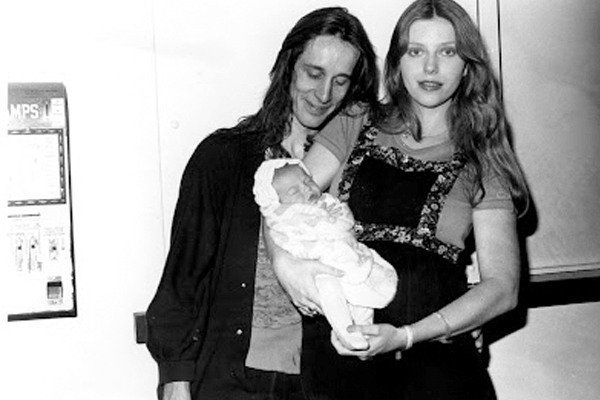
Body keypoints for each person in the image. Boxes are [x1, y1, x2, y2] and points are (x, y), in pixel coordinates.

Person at [273, 0, 531, 398]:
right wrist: (286, 267)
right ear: (397, 62)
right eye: (416, 51)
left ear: (467, 65)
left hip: (438, 364)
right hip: (342, 356)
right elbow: (280, 204)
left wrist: (407, 336)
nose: (430, 68)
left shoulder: (484, 156)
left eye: (447, 52)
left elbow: (502, 286)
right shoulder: (354, 119)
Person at [144, 6, 380, 400]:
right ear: (288, 68)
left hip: (327, 381)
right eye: (314, 73)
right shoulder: (223, 158)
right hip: (232, 382)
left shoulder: (360, 168)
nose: (324, 96)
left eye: (341, 82)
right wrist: (175, 379)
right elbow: (182, 282)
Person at [253, 158, 398, 350]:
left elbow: (345, 220)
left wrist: (333, 220)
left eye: (308, 181)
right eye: (294, 191)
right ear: (277, 202)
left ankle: (365, 331)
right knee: (330, 291)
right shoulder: (284, 218)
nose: (307, 190)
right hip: (319, 266)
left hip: (347, 255)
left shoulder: (327, 202)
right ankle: (345, 331)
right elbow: (287, 241)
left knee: (362, 298)